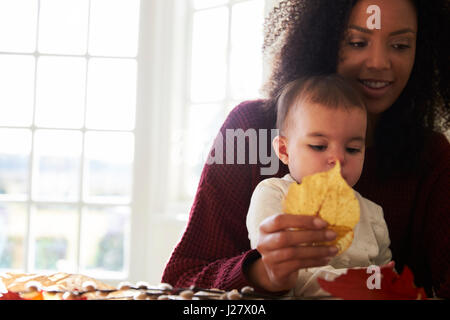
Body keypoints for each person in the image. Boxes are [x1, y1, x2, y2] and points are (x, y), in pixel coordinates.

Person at [162, 0, 450, 298]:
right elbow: (181, 283)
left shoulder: (432, 157)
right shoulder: (248, 131)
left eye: (401, 45)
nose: (378, 62)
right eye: (357, 41)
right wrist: (262, 273)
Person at [246, 75, 392, 297]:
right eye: (318, 146)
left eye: (352, 149)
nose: (338, 159)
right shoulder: (274, 195)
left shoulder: (373, 214)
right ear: (284, 151)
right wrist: (363, 285)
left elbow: (385, 277)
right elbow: (296, 277)